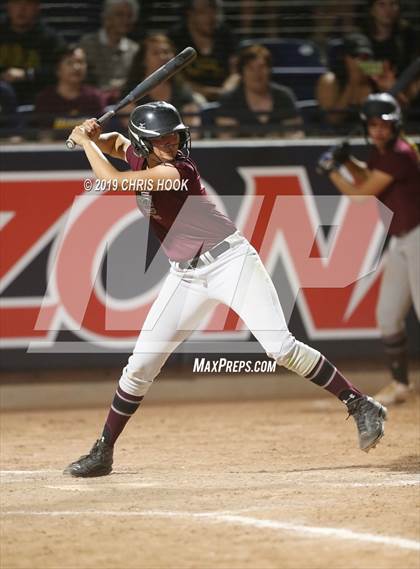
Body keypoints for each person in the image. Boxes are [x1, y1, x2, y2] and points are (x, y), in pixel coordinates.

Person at [62, 100, 388, 477]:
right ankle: (104, 450)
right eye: (162, 138)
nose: (171, 142)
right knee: (140, 366)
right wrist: (96, 135)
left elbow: (112, 181)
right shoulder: (140, 155)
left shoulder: (176, 170)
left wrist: (84, 143)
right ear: (145, 143)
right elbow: (119, 143)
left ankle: (360, 403)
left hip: (230, 262)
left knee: (279, 347)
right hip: (185, 275)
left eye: (175, 135)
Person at [316, 92, 420, 405]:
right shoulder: (382, 153)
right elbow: (371, 177)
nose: (378, 130)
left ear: (396, 125)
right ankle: (401, 384)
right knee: (388, 314)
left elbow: (361, 194)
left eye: (384, 124)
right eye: (372, 124)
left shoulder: (400, 154)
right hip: (401, 239)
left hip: (418, 237)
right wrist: (347, 160)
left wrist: (332, 169)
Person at [122, 33, 204, 136]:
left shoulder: (182, 89)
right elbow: (135, 131)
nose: (162, 57)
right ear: (143, 60)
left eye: (166, 52)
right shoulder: (131, 92)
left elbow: (192, 129)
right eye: (155, 53)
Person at [216, 44, 304, 139]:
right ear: (242, 72)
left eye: (261, 67)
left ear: (269, 70)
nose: (256, 73)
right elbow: (226, 138)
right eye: (250, 68)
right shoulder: (229, 100)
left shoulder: (284, 96)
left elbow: (295, 134)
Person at [316, 32, 395, 130]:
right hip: (337, 136)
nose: (361, 61)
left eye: (365, 57)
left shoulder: (378, 79)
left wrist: (388, 90)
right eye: (356, 56)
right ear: (345, 58)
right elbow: (332, 121)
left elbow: (399, 116)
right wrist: (351, 84)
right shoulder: (330, 81)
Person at [168, 0, 237, 101]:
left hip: (224, 96)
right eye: (203, 12)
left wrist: (225, 90)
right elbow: (174, 76)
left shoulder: (225, 34)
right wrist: (204, 92)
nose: (211, 17)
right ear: (190, 14)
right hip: (188, 97)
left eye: (214, 11)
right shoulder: (176, 37)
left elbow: (236, 72)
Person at [0, 0, 65, 105]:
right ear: (8, 6)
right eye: (16, 3)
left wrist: (27, 74)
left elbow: (58, 70)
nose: (21, 9)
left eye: (28, 4)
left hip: (37, 100)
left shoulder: (49, 38)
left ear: (37, 7)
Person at [34, 45, 105, 140]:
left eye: (80, 62)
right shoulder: (45, 99)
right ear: (57, 69)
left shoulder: (95, 97)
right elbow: (44, 136)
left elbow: (101, 135)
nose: (76, 67)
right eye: (69, 63)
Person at [79, 0, 139, 103]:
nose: (126, 20)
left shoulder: (135, 49)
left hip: (123, 103)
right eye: (120, 15)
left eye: (129, 16)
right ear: (107, 17)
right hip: (91, 103)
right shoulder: (86, 45)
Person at [362, 0, 419, 75]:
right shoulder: (361, 40)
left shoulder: (409, 36)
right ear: (372, 10)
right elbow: (360, 69)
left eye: (393, 4)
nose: (388, 10)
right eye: (381, 4)